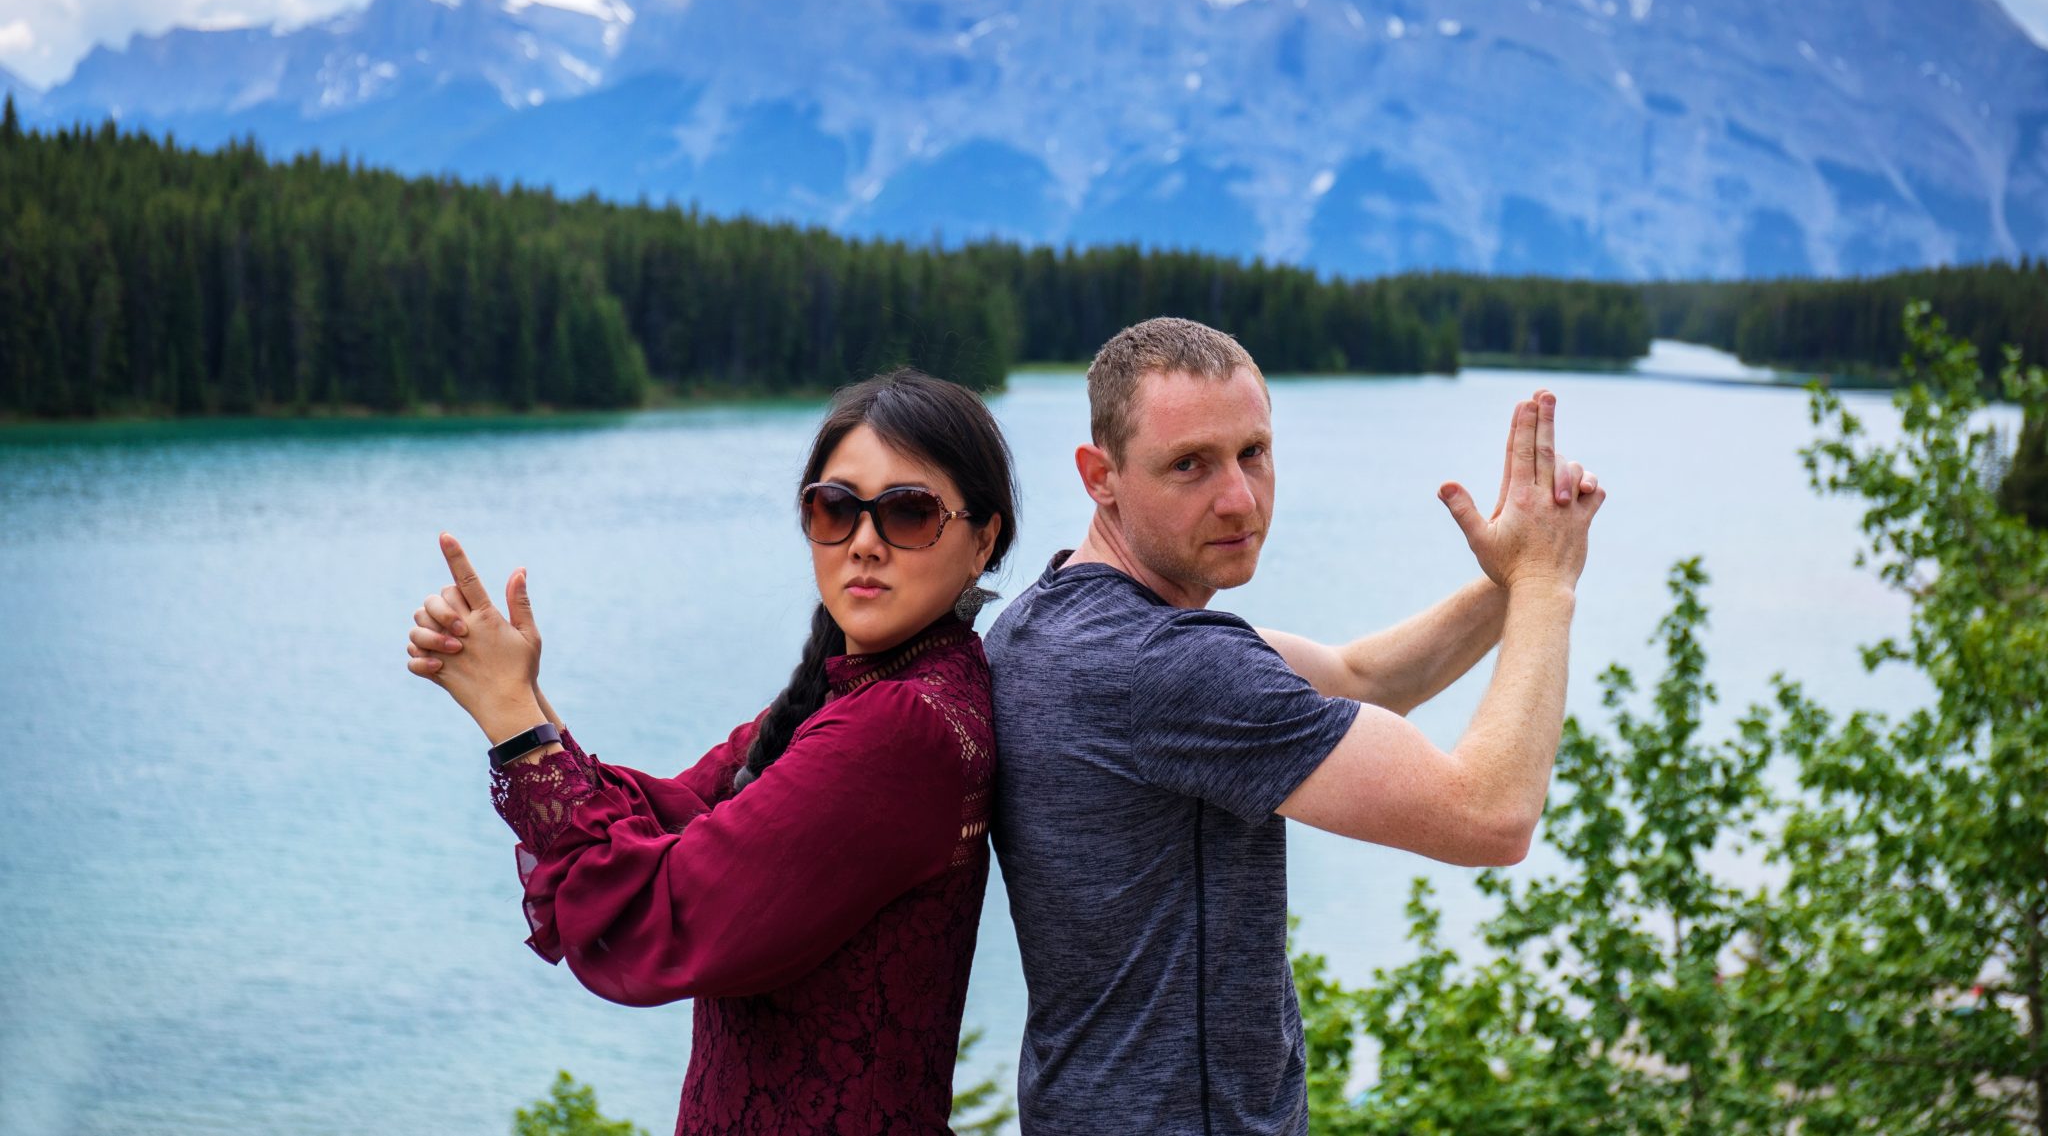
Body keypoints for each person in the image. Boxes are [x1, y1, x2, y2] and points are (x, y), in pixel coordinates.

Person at [984, 316, 1605, 1135]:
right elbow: (1490, 814)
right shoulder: (1168, 668)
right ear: (1101, 475)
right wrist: (1548, 589)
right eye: (1189, 465)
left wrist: (1516, 571)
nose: (1239, 497)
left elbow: (1366, 680)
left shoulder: (1050, 620)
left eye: (1254, 452)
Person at [404, 368, 1019, 1136]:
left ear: (982, 538)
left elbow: (661, 913)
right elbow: (668, 821)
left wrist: (511, 720)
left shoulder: (902, 726)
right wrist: (517, 693)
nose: (864, 542)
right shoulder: (863, 694)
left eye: (909, 511)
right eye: (834, 507)